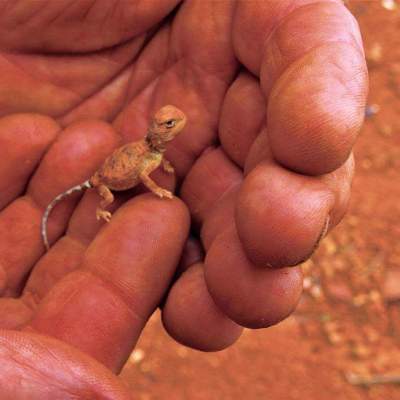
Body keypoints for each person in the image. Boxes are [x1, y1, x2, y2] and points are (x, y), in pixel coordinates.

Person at [0, 1, 367, 397]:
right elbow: (141, 173)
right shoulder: (147, 157)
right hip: (106, 181)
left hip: (125, 161)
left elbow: (154, 163)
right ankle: (98, 204)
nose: (176, 127)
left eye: (172, 123)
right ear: (158, 133)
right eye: (169, 125)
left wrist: (166, 171)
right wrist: (147, 191)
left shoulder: (156, 152)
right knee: (95, 193)